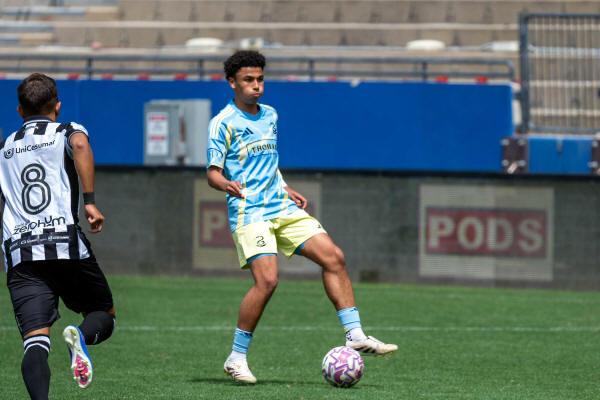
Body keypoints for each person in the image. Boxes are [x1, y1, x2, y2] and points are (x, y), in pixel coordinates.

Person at [207, 51, 397, 384]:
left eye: (260, 79)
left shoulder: (270, 115)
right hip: (250, 210)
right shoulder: (223, 122)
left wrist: (284, 186)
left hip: (280, 206)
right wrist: (226, 184)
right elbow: (212, 173)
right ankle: (236, 358)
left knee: (334, 257)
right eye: (248, 80)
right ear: (232, 82)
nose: (256, 85)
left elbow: (268, 162)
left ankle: (354, 334)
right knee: (268, 281)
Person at [1, 73, 115, 399]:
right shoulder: (66, 130)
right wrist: (89, 202)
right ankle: (80, 336)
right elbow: (79, 144)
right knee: (103, 315)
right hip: (64, 243)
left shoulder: (5, 146)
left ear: (20, 111)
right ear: (58, 106)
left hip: (20, 252)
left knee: (35, 343)